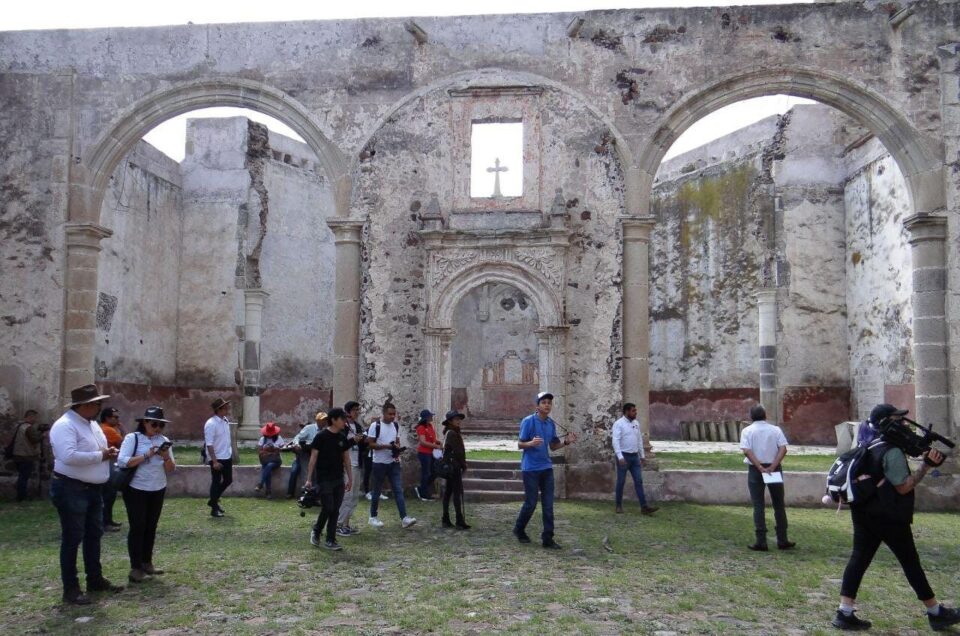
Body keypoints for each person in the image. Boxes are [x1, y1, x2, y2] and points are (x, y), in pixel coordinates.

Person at [832, 404, 960, 631]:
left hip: (864, 511)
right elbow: (904, 486)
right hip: (888, 515)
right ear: (886, 423)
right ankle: (935, 612)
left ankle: (844, 611)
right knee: (910, 562)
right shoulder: (891, 451)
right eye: (898, 420)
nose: (903, 424)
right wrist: (926, 466)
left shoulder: (869, 443)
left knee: (859, 559)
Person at [49, 383, 124, 605]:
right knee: (73, 538)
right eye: (96, 403)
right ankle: (71, 588)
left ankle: (95, 578)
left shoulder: (91, 425)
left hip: (92, 488)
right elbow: (68, 456)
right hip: (72, 488)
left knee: (94, 535)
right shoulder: (65, 426)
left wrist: (107, 453)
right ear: (83, 405)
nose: (99, 407)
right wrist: (100, 455)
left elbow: (97, 450)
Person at [117, 407, 176, 583]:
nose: (157, 428)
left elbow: (171, 469)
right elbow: (123, 461)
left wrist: (165, 457)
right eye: (154, 424)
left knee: (151, 526)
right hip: (136, 488)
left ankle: (147, 562)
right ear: (144, 423)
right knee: (137, 526)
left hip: (157, 487)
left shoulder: (164, 440)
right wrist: (147, 454)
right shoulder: (133, 438)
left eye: (161, 425)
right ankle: (135, 567)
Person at [513, 392, 577, 549]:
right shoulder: (528, 421)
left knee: (548, 505)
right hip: (530, 469)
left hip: (546, 468)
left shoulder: (550, 424)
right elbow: (520, 444)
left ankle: (548, 538)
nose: (547, 405)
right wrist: (531, 443)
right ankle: (519, 529)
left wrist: (566, 442)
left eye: (549, 402)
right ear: (537, 405)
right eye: (544, 402)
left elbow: (553, 446)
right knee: (531, 503)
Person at [739, 404, 794, 551]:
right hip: (774, 469)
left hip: (756, 470)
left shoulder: (747, 431)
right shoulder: (775, 430)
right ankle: (782, 539)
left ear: (751, 417)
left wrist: (760, 467)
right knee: (778, 504)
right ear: (765, 415)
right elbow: (783, 448)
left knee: (758, 505)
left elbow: (747, 451)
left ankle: (761, 540)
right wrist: (773, 466)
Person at [304, 408, 353, 551]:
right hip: (324, 477)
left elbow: (346, 458)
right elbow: (313, 458)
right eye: (342, 419)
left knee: (335, 509)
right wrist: (309, 479)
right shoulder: (321, 436)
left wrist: (350, 478)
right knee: (328, 506)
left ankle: (331, 540)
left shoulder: (342, 437)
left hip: (338, 477)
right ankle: (317, 530)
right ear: (334, 420)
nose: (345, 421)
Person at [367, 402, 417, 529]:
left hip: (393, 462)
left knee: (398, 490)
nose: (392, 416)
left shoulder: (395, 425)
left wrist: (397, 449)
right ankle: (373, 517)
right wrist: (386, 446)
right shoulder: (375, 425)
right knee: (377, 491)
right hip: (379, 463)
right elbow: (370, 444)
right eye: (390, 414)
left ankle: (404, 518)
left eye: (394, 414)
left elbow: (397, 442)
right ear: (383, 413)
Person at [611, 402, 658, 515]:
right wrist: (620, 456)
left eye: (635, 411)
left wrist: (642, 456)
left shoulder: (636, 423)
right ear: (627, 411)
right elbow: (615, 440)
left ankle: (644, 507)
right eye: (633, 411)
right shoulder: (619, 424)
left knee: (639, 481)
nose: (635, 413)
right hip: (624, 456)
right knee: (621, 482)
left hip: (634, 457)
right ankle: (618, 505)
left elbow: (639, 440)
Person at [337, 401, 367, 536]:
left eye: (358, 410)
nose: (357, 412)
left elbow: (362, 447)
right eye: (355, 410)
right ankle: (338, 524)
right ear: (348, 412)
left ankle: (346, 524)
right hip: (346, 465)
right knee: (346, 496)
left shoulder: (358, 427)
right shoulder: (342, 427)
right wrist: (352, 440)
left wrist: (363, 441)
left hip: (357, 463)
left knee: (354, 496)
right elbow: (340, 446)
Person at [204, 397, 233, 518]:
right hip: (217, 457)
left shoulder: (225, 420)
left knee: (228, 480)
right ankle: (214, 508)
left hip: (226, 455)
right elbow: (209, 444)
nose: (228, 409)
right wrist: (214, 461)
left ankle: (213, 500)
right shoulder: (211, 424)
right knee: (216, 482)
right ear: (219, 410)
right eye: (225, 407)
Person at [440, 410, 469, 529]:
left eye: (459, 419)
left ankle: (446, 518)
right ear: (450, 421)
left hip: (452, 466)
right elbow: (458, 452)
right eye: (456, 419)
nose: (458, 421)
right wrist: (463, 464)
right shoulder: (452, 433)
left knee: (448, 493)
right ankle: (459, 520)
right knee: (455, 493)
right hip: (454, 466)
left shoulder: (451, 432)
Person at [98, 407, 124, 530]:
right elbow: (123, 442)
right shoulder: (107, 429)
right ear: (107, 418)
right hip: (109, 463)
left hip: (109, 463)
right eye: (116, 417)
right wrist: (121, 428)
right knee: (108, 495)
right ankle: (105, 522)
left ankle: (108, 520)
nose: (118, 419)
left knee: (110, 495)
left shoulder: (107, 428)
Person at [12, 409, 43, 502]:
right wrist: (43, 435)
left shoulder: (20, 426)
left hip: (17, 455)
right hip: (25, 455)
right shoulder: (28, 428)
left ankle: (20, 496)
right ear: (30, 417)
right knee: (23, 477)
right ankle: (21, 497)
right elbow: (34, 439)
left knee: (22, 477)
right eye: (35, 417)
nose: (36, 420)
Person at [414, 409, 442, 501]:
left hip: (431, 453)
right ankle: (423, 493)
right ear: (426, 418)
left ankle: (422, 488)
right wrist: (435, 446)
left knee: (434, 472)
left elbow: (432, 438)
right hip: (424, 453)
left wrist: (438, 442)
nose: (432, 417)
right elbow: (423, 442)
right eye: (430, 416)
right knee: (426, 473)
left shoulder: (430, 426)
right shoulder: (421, 427)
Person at [256, 422, 285, 499]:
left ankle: (261, 484)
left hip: (276, 461)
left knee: (268, 466)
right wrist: (267, 452)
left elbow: (283, 449)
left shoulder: (279, 439)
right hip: (265, 460)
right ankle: (268, 492)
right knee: (267, 468)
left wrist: (276, 449)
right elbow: (259, 451)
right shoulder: (263, 439)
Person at [285, 421, 308, 498]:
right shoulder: (299, 436)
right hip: (298, 459)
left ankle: (308, 495)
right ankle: (290, 493)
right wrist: (294, 448)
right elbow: (291, 445)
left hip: (308, 460)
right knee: (293, 472)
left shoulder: (312, 436)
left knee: (307, 475)